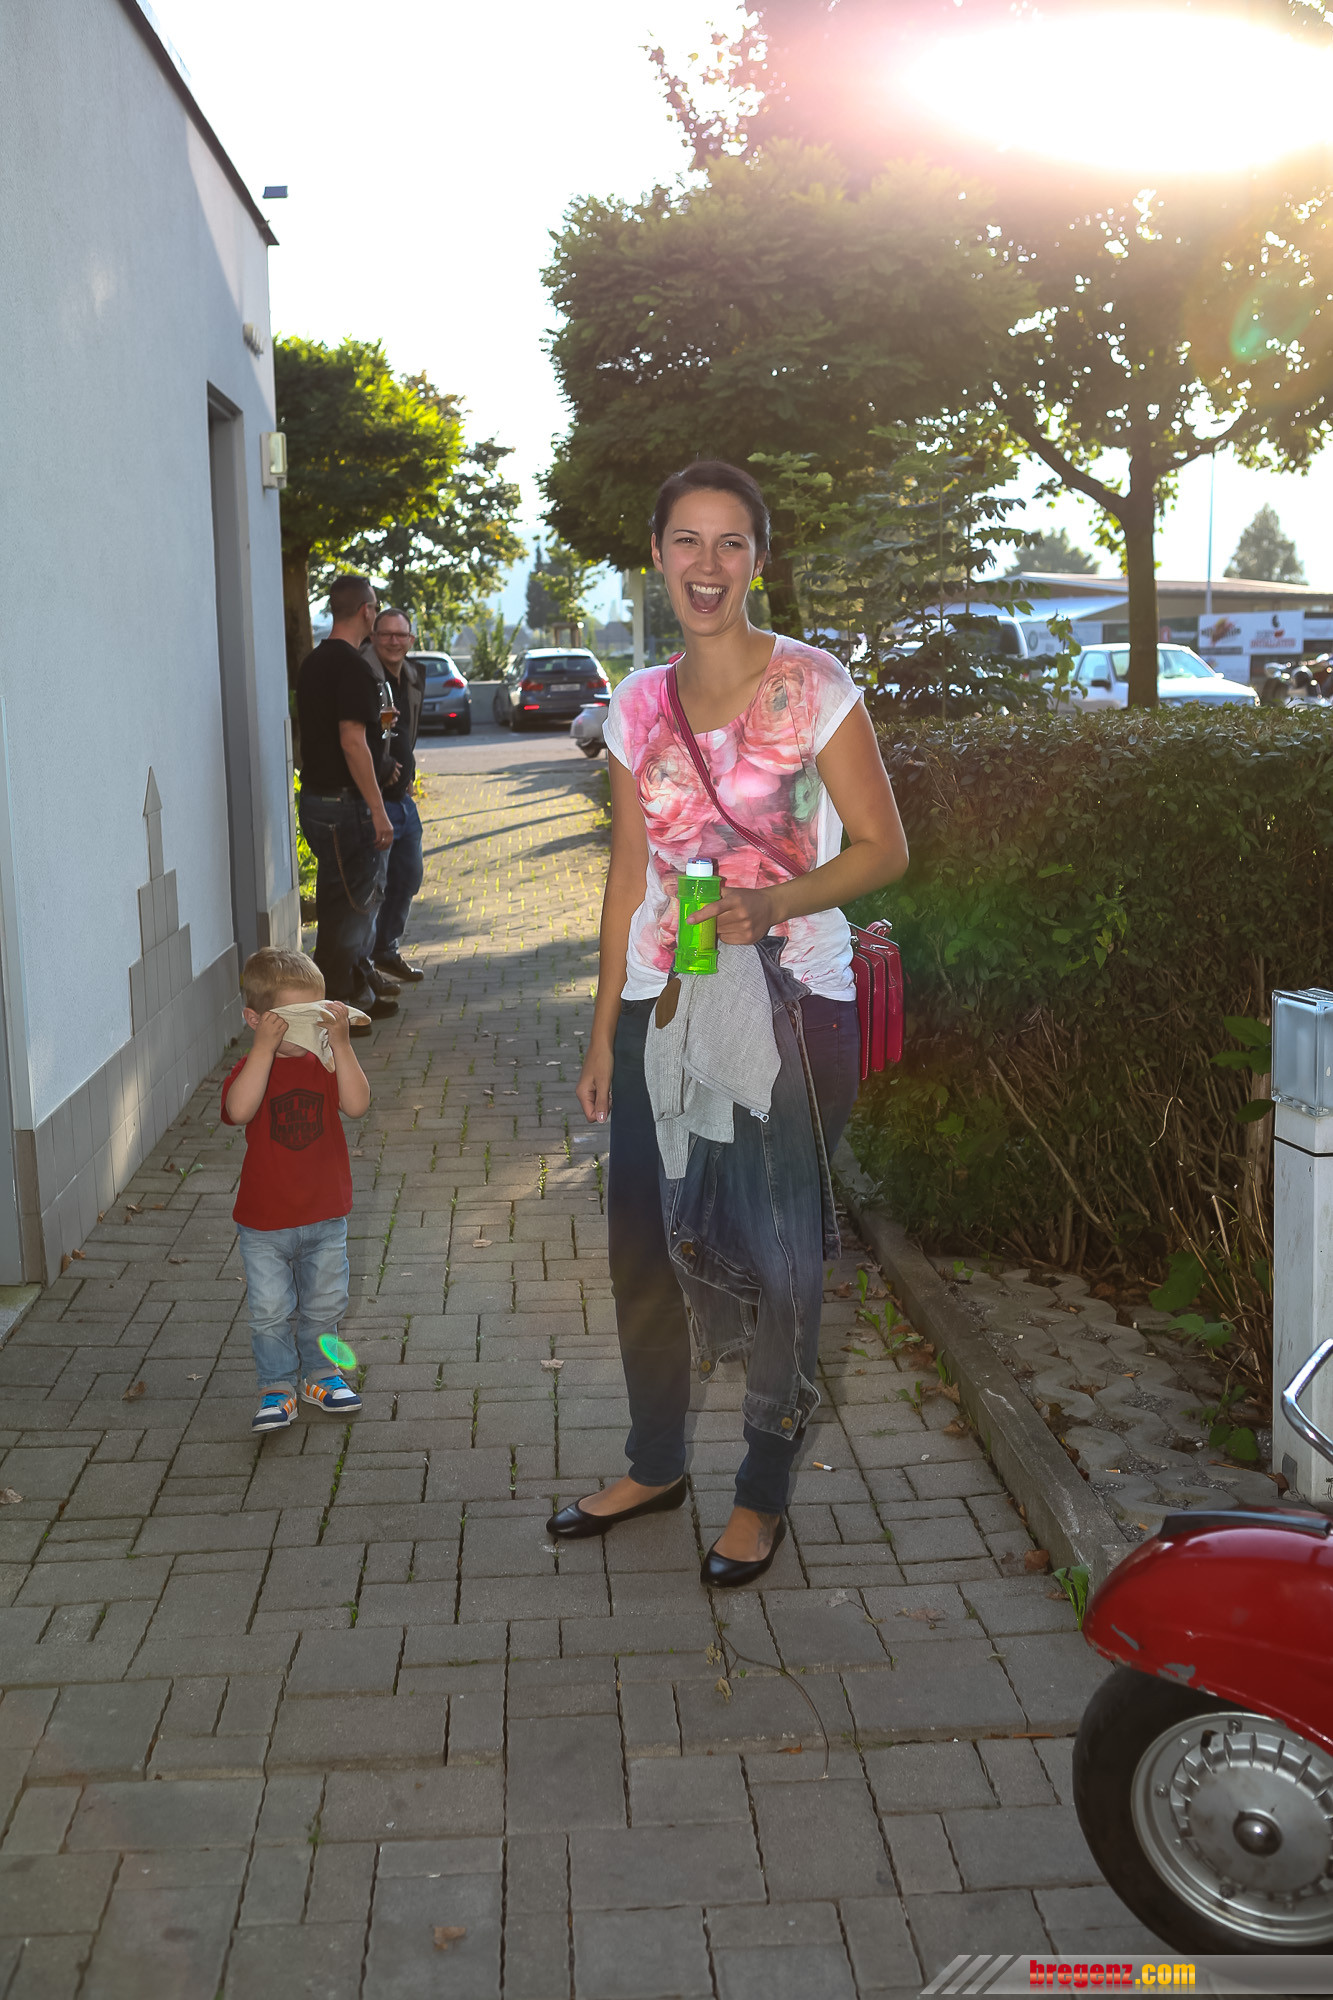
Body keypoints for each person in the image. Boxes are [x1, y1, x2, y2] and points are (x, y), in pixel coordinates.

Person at [558, 460, 909, 1588]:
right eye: (686, 541)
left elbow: (884, 848)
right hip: (663, 1005)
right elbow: (627, 876)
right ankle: (655, 1464)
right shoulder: (635, 703)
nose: (706, 565)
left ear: (759, 557)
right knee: (641, 1243)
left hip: (791, 1004)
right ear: (657, 556)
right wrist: (603, 1027)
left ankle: (761, 1490)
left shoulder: (811, 684)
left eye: (729, 542)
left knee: (775, 1256)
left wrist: (775, 901)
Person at [222, 947, 370, 1434]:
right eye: (294, 1019)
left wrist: (340, 1044)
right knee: (270, 1311)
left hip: (325, 1215)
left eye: (315, 1015)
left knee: (325, 1304)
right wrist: (263, 1050)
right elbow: (239, 1110)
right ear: (256, 1020)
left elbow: (357, 1105)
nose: (308, 1029)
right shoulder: (252, 1069)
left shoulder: (323, 1064)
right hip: (264, 1223)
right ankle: (277, 1386)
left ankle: (321, 1375)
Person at [295, 573, 399, 1025]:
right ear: (366, 611)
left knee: (339, 902)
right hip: (343, 805)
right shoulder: (354, 667)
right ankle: (337, 1009)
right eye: (374, 606)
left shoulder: (313, 662)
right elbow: (352, 741)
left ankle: (355, 990)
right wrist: (378, 810)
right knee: (349, 911)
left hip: (317, 800)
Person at [362, 607, 426, 984]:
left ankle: (386, 948)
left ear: (411, 640)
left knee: (409, 875)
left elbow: (406, 732)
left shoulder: (413, 676)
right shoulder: (363, 675)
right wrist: (382, 766)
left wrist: (409, 772)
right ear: (373, 637)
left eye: (401, 635)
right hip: (373, 800)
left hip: (402, 799)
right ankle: (363, 967)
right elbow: (356, 736)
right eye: (386, 634)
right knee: (375, 886)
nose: (393, 641)